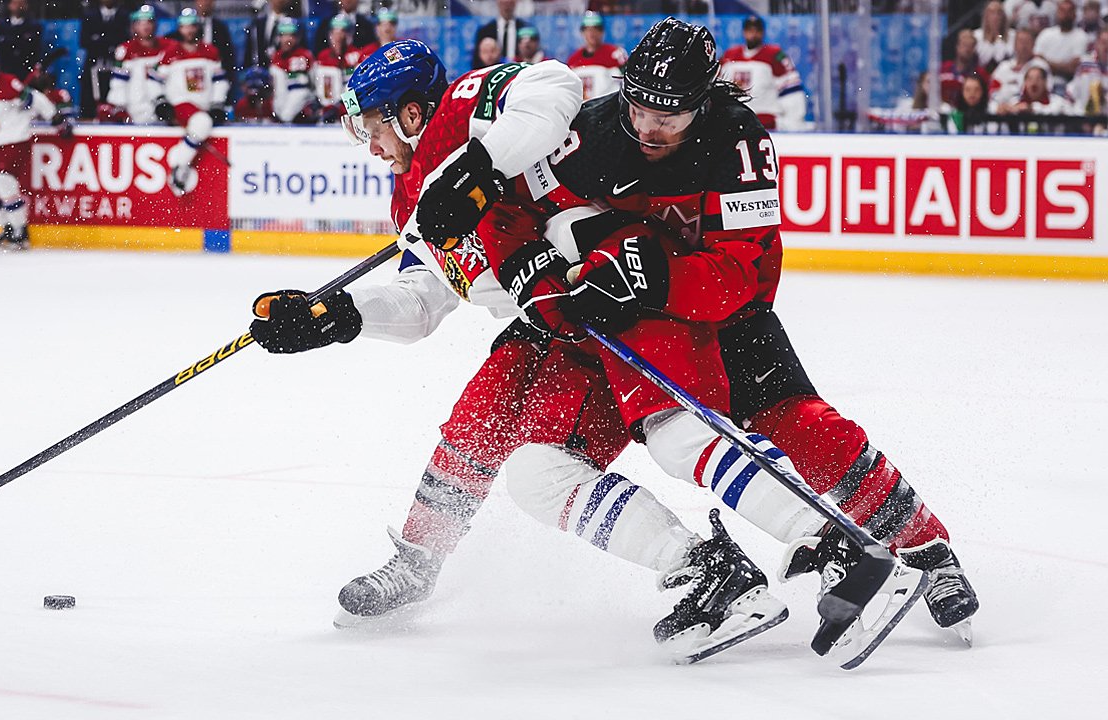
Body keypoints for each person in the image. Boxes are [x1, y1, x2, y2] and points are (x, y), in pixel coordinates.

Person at [252, 39, 792, 662]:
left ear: (409, 114)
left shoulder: (463, 111)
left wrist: (478, 167)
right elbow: (424, 299)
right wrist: (339, 316)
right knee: (476, 428)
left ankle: (728, 561)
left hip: (603, 294)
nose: (370, 147)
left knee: (609, 453)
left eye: (372, 128)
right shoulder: (410, 198)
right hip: (541, 318)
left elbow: (555, 86)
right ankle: (418, 562)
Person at [473, 18, 978, 639]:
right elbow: (511, 208)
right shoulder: (592, 131)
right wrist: (526, 267)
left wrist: (650, 277)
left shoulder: (739, 141)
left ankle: (928, 553)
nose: (648, 128)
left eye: (669, 117)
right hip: (629, 327)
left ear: (703, 101)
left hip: (729, 317)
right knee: (544, 470)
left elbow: (739, 272)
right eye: (638, 108)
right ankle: (712, 572)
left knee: (806, 427)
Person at [0, 47, 70, 249]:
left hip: (14, 140)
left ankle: (20, 229)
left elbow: (35, 99)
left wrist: (55, 117)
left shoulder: (9, 83)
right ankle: (7, 227)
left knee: (3, 181)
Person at [152, 8, 229, 195]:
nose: (189, 30)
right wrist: (161, 102)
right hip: (181, 104)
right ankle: (179, 164)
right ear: (179, 28)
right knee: (202, 123)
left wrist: (217, 103)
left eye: (192, 26)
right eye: (185, 26)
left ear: (198, 27)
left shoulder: (211, 51)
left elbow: (220, 81)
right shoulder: (169, 53)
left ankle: (179, 163)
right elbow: (154, 81)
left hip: (203, 105)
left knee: (202, 122)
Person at [719, 15, 806, 130]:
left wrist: (791, 124)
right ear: (744, 32)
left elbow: (792, 94)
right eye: (750, 30)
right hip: (734, 124)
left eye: (757, 31)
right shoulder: (729, 56)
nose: (753, 34)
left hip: (765, 126)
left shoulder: (774, 56)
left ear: (763, 33)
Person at [105, 4, 174, 124]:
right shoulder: (125, 50)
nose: (146, 26)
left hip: (163, 105)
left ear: (155, 24)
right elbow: (119, 83)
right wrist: (120, 106)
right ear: (134, 26)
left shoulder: (169, 47)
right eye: (141, 23)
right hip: (135, 108)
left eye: (149, 22)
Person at [80, 0, 131, 120]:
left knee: (115, 94)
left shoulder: (124, 16)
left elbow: (124, 40)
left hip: (115, 64)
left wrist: (99, 40)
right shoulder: (90, 15)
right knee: (91, 97)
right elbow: (84, 41)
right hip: (94, 64)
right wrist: (107, 43)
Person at [167, 0, 236, 81]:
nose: (205, 3)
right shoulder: (174, 43)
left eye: (193, 27)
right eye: (187, 27)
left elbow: (227, 58)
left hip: (211, 76)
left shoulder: (221, 29)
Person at [314, 14, 365, 121]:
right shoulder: (323, 57)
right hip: (328, 106)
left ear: (349, 34)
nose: (338, 37)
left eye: (342, 32)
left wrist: (342, 107)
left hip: (352, 109)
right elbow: (319, 85)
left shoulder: (357, 55)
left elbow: (359, 87)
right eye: (335, 32)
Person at [565, 11, 626, 100]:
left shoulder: (615, 54)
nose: (592, 33)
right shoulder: (573, 59)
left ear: (602, 32)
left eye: (596, 29)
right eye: (588, 29)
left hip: (607, 105)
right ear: (582, 32)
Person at [1034, 0, 1092, 91]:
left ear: (1075, 14)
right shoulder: (1046, 34)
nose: (1065, 15)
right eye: (1062, 11)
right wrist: (1063, 66)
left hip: (1068, 85)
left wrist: (1047, 63)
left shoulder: (1081, 36)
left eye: (1069, 11)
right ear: (1057, 13)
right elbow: (1037, 61)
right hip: (1043, 83)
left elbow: (1073, 69)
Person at [269, 18, 317, 124]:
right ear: (279, 37)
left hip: (302, 97)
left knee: (287, 114)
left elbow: (314, 81)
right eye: (284, 35)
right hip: (281, 98)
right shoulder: (275, 57)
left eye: (291, 35)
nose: (287, 40)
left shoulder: (305, 55)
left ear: (297, 37)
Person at [990, 27, 1050, 105]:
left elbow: (1047, 90)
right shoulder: (1004, 66)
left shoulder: (1040, 65)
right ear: (1014, 45)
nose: (1023, 46)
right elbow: (992, 91)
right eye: (1021, 41)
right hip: (1003, 108)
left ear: (1033, 45)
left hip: (1031, 108)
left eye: (1027, 42)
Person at [0, 0, 46, 78]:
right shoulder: (0, 25)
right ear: (9, 5)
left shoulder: (34, 26)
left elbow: (37, 49)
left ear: (26, 5)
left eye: (21, 3)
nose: (18, 6)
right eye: (15, 3)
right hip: (4, 68)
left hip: (26, 69)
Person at [474, 0, 530, 69]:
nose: (507, 6)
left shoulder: (525, 28)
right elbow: (477, 59)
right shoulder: (485, 30)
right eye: (504, 3)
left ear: (515, 3)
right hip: (492, 71)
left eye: (510, 3)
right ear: (498, 2)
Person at [940, 29, 989, 106]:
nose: (967, 49)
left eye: (971, 46)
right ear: (957, 46)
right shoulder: (943, 68)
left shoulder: (980, 73)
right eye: (964, 45)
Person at [1067, 27, 1108, 114]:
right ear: (1096, 44)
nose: (1106, 48)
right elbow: (1073, 91)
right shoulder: (1085, 63)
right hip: (1082, 115)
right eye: (1104, 43)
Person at [312, 0, 377, 53]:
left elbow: (370, 52)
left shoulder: (366, 25)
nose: (348, 0)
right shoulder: (326, 23)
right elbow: (318, 51)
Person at [245, 0, 294, 69]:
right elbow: (249, 53)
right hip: (261, 69)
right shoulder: (257, 24)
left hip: (284, 69)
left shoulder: (294, 23)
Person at [974, 1, 1014, 72]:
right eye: (992, 13)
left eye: (999, 13)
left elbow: (1003, 58)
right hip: (980, 74)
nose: (995, 17)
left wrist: (998, 38)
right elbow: (982, 61)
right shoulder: (976, 35)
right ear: (986, 16)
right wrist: (989, 40)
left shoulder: (1013, 35)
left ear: (1003, 16)